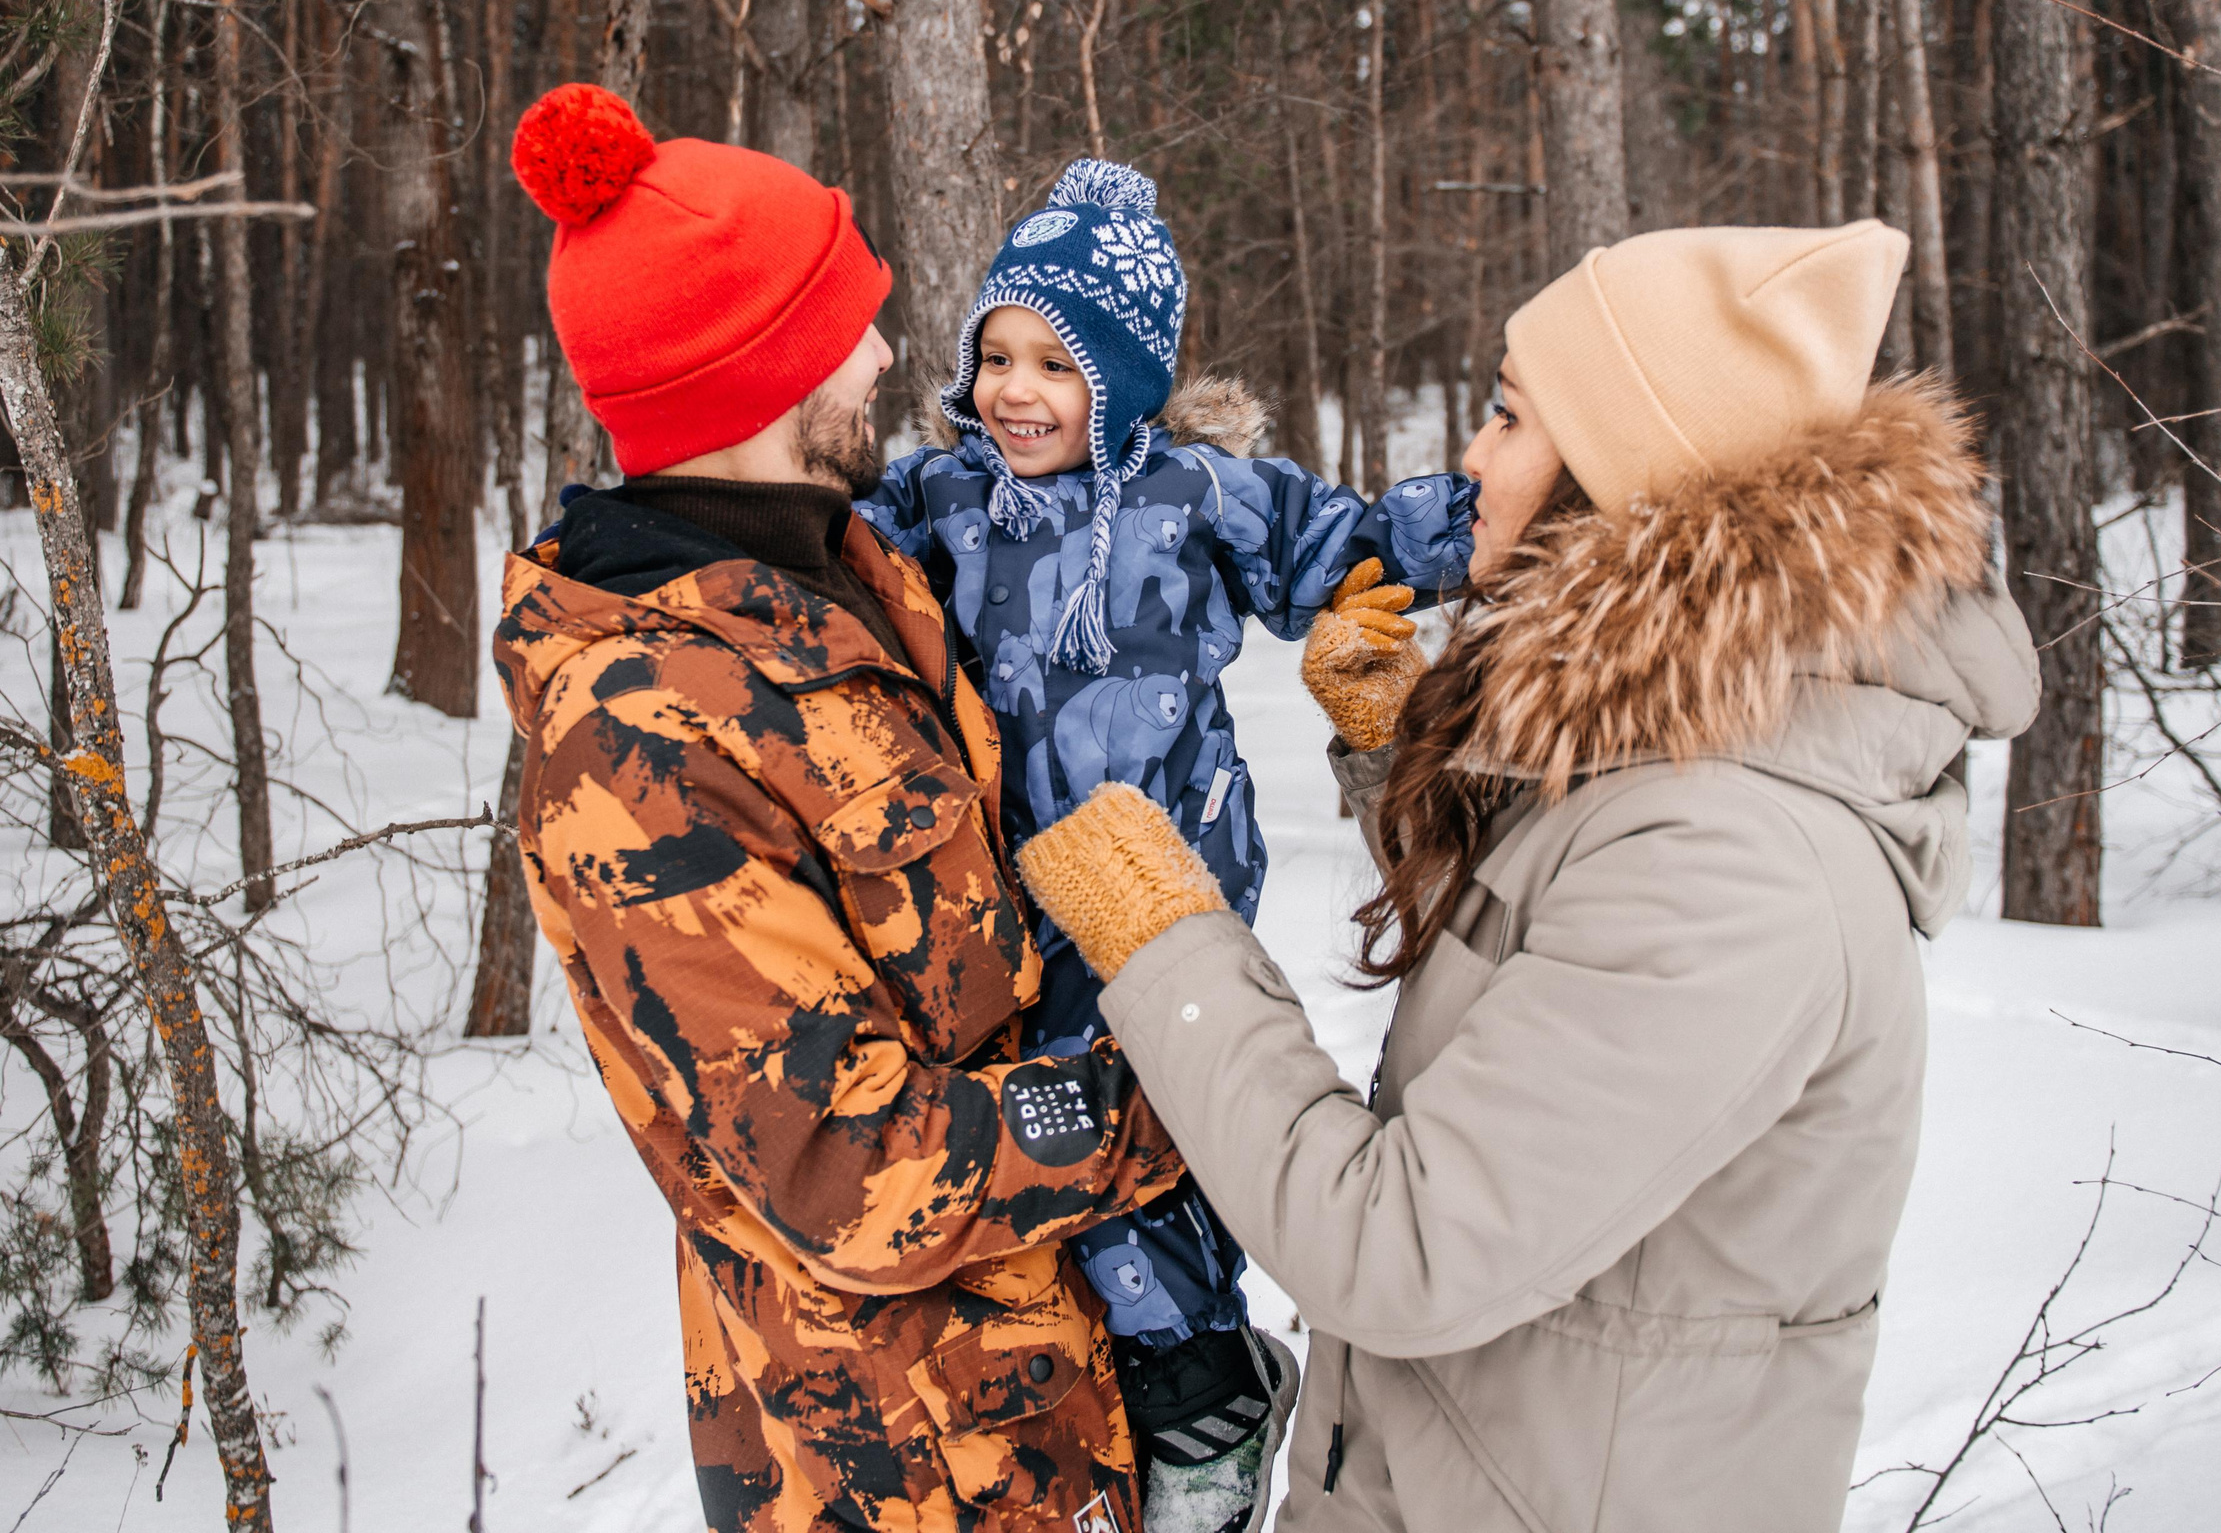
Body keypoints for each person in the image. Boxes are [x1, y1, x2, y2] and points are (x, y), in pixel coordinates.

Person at [1008, 221, 2045, 1531]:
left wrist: (1169, 948)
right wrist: (1400, 760)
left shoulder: (1743, 868)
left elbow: (1401, 1249)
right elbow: (1552, 965)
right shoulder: (1687, 766)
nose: (1472, 458)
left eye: (1507, 417)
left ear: (1631, 471)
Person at [491, 83, 1188, 1533]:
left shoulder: (845, 571)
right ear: (753, 379)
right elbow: (845, 1163)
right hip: (897, 1458)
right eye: (842, 328)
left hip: (1047, 1383)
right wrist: (1182, 1103)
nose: (880, 354)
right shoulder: (638, 736)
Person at [855, 158, 1475, 1531]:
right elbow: (817, 558)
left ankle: (1208, 1402)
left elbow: (1348, 548)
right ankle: (1132, 1387)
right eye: (996, 357)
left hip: (1169, 876)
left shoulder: (1198, 491)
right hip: (1005, 888)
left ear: (1124, 380)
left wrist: (1471, 528)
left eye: (1056, 367)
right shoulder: (948, 499)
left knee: (1150, 1119)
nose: (1015, 392)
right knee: (1044, 1138)